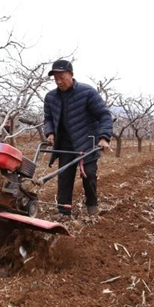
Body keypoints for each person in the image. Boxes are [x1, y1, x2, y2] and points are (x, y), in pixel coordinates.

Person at [42, 59, 113, 216]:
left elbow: (104, 115)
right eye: (56, 78)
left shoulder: (87, 92)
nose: (59, 81)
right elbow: (48, 118)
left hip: (87, 142)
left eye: (62, 77)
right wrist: (50, 133)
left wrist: (104, 137)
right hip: (65, 144)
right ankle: (63, 211)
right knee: (64, 177)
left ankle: (92, 207)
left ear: (71, 75)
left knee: (89, 175)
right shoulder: (51, 97)